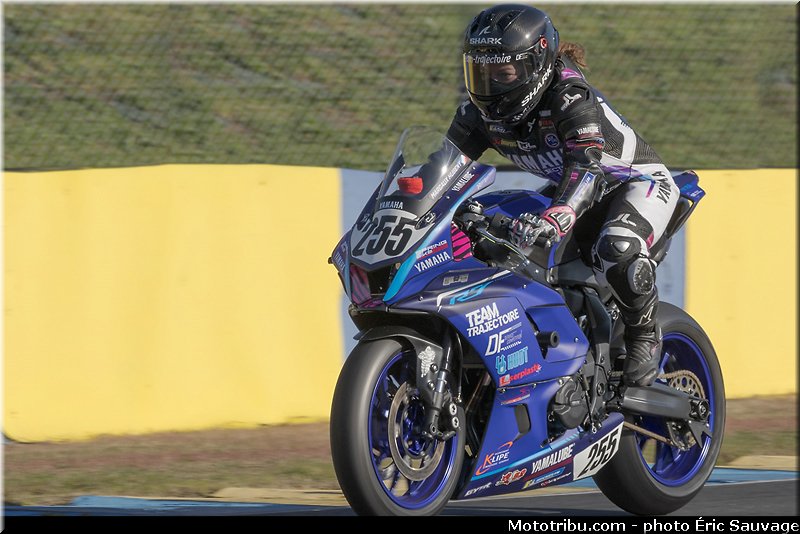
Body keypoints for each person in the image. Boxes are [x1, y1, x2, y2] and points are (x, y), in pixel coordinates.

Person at [446, 4, 680, 387]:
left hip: (635, 184)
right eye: (481, 72)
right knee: (493, 240)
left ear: (535, 63)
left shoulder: (569, 96)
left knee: (617, 246)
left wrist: (558, 216)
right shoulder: (477, 114)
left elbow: (586, 165)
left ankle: (644, 335)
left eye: (503, 73)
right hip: (568, 189)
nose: (490, 87)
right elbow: (442, 168)